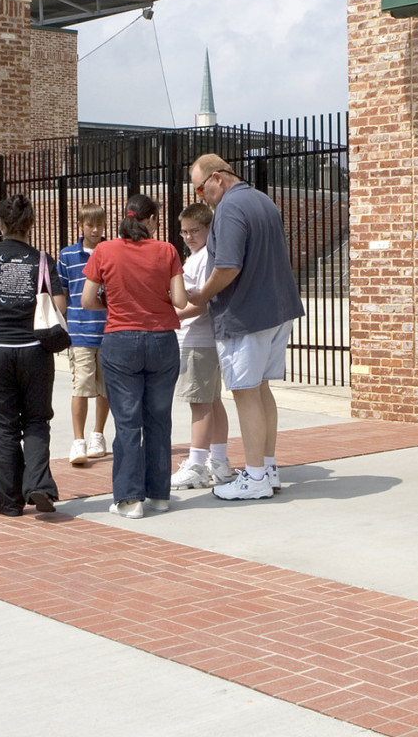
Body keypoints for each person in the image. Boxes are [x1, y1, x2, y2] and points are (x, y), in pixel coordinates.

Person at [186, 154, 305, 501]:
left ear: (217, 178)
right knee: (261, 390)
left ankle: (254, 476)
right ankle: (266, 467)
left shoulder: (230, 208)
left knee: (245, 391)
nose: (200, 197)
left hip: (245, 315)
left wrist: (202, 295)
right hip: (276, 311)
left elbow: (227, 267)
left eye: (199, 188)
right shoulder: (263, 201)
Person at [81, 193, 187, 518]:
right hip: (161, 341)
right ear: (152, 219)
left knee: (127, 422)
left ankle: (129, 499)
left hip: (120, 339)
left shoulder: (104, 250)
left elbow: (87, 301)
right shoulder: (167, 250)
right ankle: (159, 495)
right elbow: (180, 301)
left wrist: (113, 305)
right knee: (158, 419)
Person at [0, 194, 64, 517]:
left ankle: (8, 502)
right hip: (33, 350)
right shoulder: (43, 261)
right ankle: (38, 484)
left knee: (3, 427)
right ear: (30, 225)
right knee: (35, 420)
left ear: (0, 224)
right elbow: (59, 307)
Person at [170, 201, 235, 490]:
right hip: (200, 340)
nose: (187, 237)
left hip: (197, 340)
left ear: (209, 227)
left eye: (194, 230)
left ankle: (197, 464)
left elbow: (203, 303)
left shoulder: (206, 256)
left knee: (200, 403)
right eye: (183, 232)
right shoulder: (197, 255)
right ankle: (218, 462)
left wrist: (172, 315)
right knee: (211, 401)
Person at [57, 205, 110, 466]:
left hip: (108, 329)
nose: (95, 229)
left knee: (106, 388)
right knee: (81, 386)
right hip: (79, 330)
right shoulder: (67, 256)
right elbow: (62, 292)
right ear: (80, 225)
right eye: (90, 224)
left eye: (99, 223)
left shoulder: (111, 252)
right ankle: (78, 439)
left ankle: (98, 434)